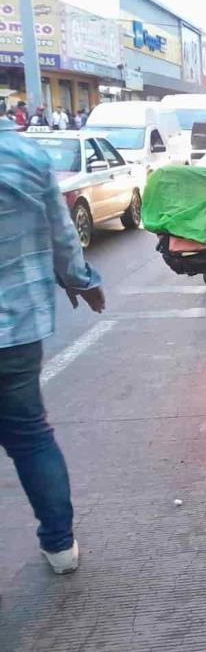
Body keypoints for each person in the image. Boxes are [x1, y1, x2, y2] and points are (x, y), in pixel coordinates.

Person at [0, 116, 105, 574]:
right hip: (16, 329)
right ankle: (60, 547)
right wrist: (80, 280)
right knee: (30, 437)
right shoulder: (27, 156)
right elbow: (62, 235)